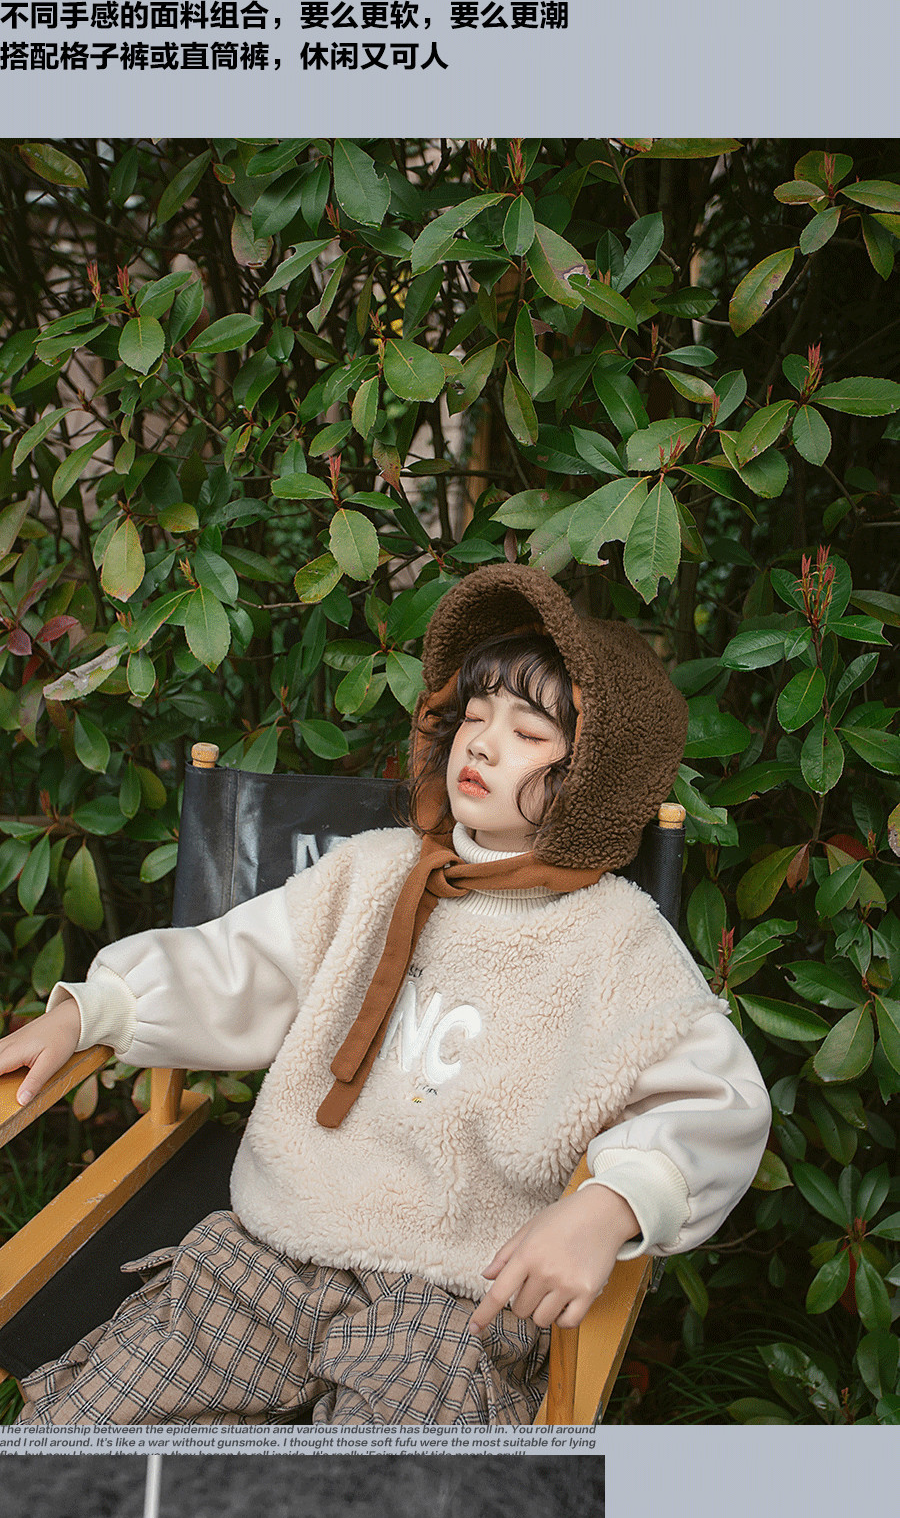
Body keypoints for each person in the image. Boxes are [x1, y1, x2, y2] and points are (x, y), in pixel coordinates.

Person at [0, 565, 770, 1425]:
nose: (482, 743)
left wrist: (612, 1204)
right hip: (278, 1241)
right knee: (97, 1418)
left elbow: (715, 1099)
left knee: (380, 1487)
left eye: (526, 730)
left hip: (453, 1293)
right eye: (474, 715)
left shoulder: (616, 939)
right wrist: (94, 1008)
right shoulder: (373, 872)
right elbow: (239, 963)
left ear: (596, 775)